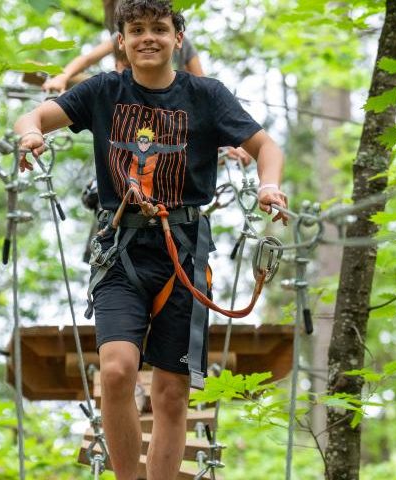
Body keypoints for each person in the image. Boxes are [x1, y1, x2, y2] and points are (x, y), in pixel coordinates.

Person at [15, 0, 288, 478]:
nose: (148, 37)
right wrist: (30, 136)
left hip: (183, 249)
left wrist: (269, 184)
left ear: (177, 39)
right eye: (136, 29)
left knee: (171, 390)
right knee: (117, 370)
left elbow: (264, 146)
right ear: (120, 41)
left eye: (159, 29)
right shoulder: (103, 91)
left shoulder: (206, 96)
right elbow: (33, 118)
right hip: (120, 247)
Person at [42, 29, 203, 93]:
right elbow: (87, 59)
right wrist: (63, 76)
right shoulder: (126, 36)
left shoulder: (177, 42)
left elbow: (202, 83)